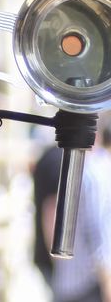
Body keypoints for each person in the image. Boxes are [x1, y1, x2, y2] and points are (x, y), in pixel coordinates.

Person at [36, 129, 111, 302]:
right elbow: (98, 235)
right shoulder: (94, 173)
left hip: (66, 278)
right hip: (85, 284)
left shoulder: (64, 162)